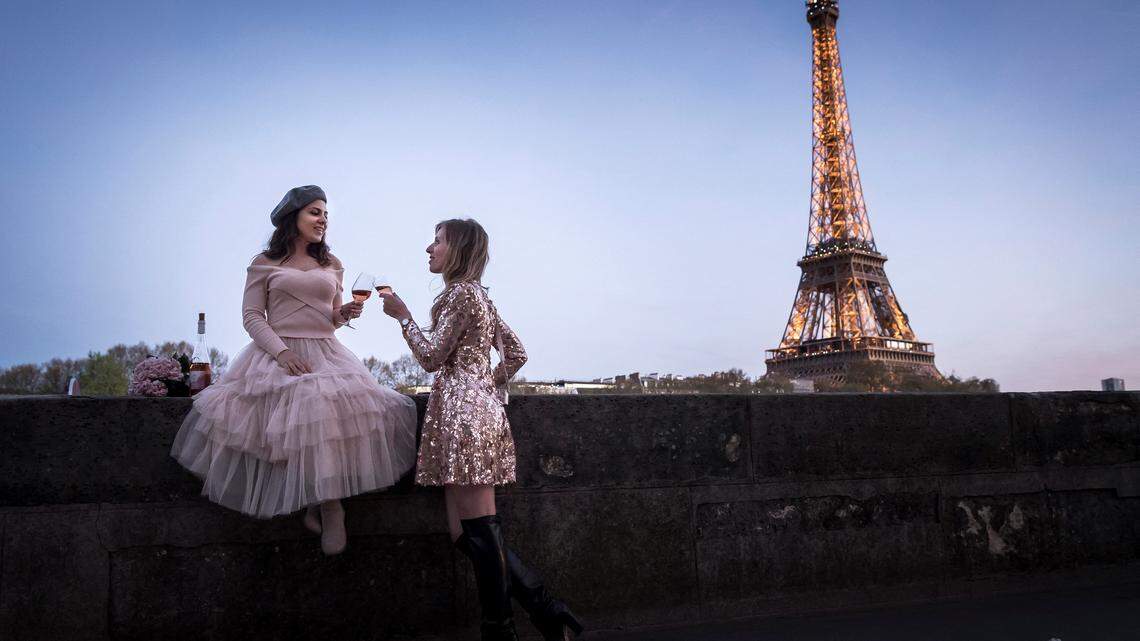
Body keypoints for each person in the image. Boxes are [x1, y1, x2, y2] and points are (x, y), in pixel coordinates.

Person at [171, 185, 418, 555]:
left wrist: (343, 314)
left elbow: (331, 316)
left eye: (326, 214)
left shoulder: (331, 263)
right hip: (277, 353)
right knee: (301, 407)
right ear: (294, 218)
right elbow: (252, 316)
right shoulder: (265, 262)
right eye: (315, 212)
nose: (323, 220)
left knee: (338, 411)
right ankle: (327, 506)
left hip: (327, 352)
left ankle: (326, 505)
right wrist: (282, 353)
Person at [379, 218, 582, 641]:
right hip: (477, 414)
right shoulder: (481, 299)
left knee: (480, 530)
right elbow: (518, 353)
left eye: (437, 241)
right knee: (465, 533)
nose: (429, 248)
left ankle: (501, 630)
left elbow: (433, 358)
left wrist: (403, 317)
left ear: (458, 250)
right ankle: (547, 612)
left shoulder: (459, 294)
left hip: (463, 419)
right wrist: (485, 384)